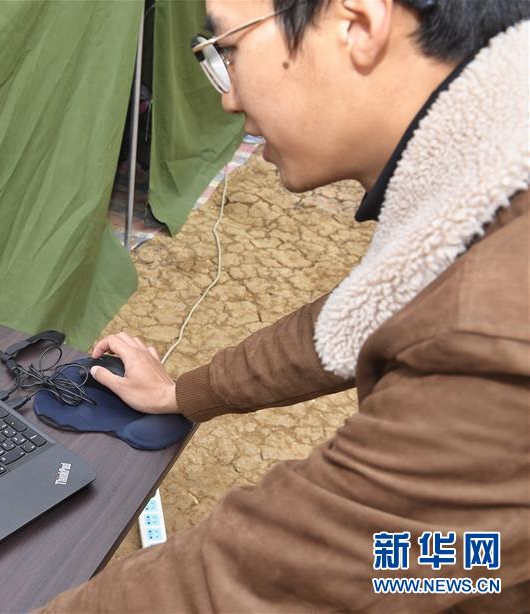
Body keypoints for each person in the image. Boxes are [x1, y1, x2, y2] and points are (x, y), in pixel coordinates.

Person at [41, 0, 529, 610]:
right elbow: (361, 312)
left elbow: (282, 573)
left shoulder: (490, 329)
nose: (228, 99)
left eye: (228, 49)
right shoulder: (486, 172)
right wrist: (180, 394)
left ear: (358, 25)